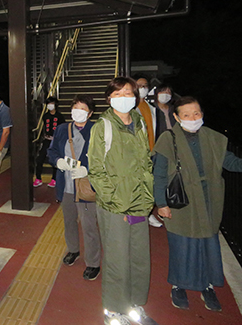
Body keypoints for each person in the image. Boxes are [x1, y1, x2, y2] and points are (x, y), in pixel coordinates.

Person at [153, 96, 242, 312]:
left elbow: (230, 161)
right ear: (176, 117)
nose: (193, 118)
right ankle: (178, 285)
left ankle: (206, 285)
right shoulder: (168, 139)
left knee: (207, 244)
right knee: (181, 244)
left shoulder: (212, 137)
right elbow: (160, 174)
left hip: (209, 199)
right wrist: (161, 203)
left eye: (197, 113)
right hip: (181, 200)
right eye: (186, 115)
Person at [88, 77, 158, 325]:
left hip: (139, 202)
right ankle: (114, 310)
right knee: (117, 259)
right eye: (117, 94)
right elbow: (95, 170)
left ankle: (134, 305)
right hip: (115, 207)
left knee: (139, 258)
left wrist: (148, 196)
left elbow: (146, 161)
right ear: (109, 98)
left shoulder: (139, 122)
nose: (123, 98)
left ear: (135, 97)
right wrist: (114, 199)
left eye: (128, 93)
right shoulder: (103, 126)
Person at [48, 94, 101, 281]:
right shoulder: (63, 129)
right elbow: (52, 151)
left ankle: (93, 262)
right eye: (76, 108)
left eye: (83, 109)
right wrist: (57, 161)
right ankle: (73, 249)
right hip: (67, 185)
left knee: (89, 225)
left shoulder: (96, 130)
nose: (78, 112)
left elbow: (103, 157)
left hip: (86, 186)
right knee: (69, 220)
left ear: (90, 113)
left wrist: (88, 170)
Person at [136, 76, 162, 229]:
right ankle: (142, 215)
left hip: (152, 152)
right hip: (138, 154)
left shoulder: (150, 107)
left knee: (150, 185)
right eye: (139, 85)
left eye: (145, 85)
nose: (142, 88)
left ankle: (148, 212)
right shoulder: (131, 107)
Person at [35, 96, 65, 188]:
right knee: (40, 159)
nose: (50, 105)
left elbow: (62, 129)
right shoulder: (45, 116)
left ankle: (54, 179)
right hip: (47, 140)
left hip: (56, 141)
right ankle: (38, 178)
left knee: (54, 159)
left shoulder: (59, 116)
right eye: (48, 104)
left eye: (51, 103)